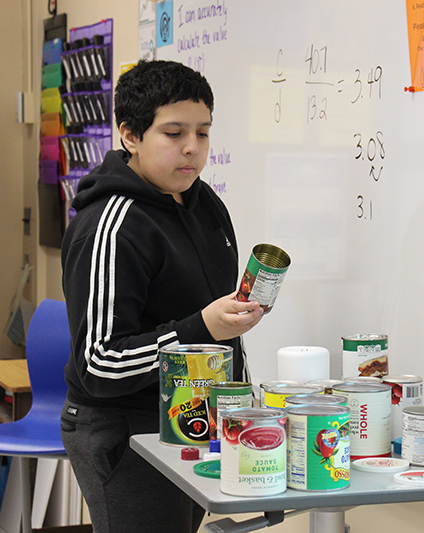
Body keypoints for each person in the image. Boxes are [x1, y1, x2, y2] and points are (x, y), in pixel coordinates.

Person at [60, 60, 264, 533]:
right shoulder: (110, 226)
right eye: (174, 133)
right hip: (124, 428)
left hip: (192, 417)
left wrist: (241, 395)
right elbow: (99, 364)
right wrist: (202, 328)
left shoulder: (204, 202)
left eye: (203, 133)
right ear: (130, 135)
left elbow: (209, 323)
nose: (192, 148)